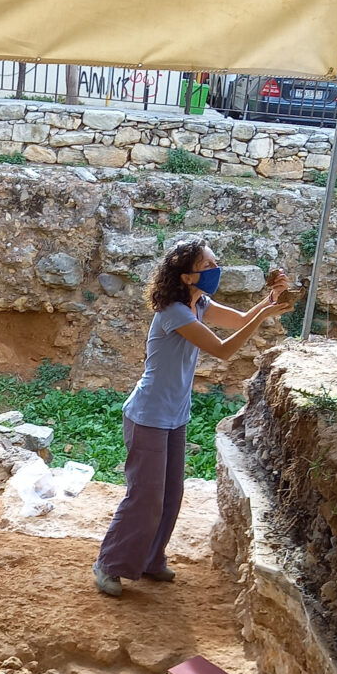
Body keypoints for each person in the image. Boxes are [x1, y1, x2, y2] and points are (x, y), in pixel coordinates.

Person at [93, 240, 289, 596]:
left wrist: (271, 300)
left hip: (173, 415)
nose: (216, 268)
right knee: (145, 496)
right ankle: (109, 564)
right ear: (186, 276)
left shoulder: (198, 303)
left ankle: (151, 560)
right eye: (209, 264)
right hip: (149, 415)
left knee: (170, 494)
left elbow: (242, 320)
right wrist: (265, 314)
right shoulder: (174, 312)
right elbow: (224, 349)